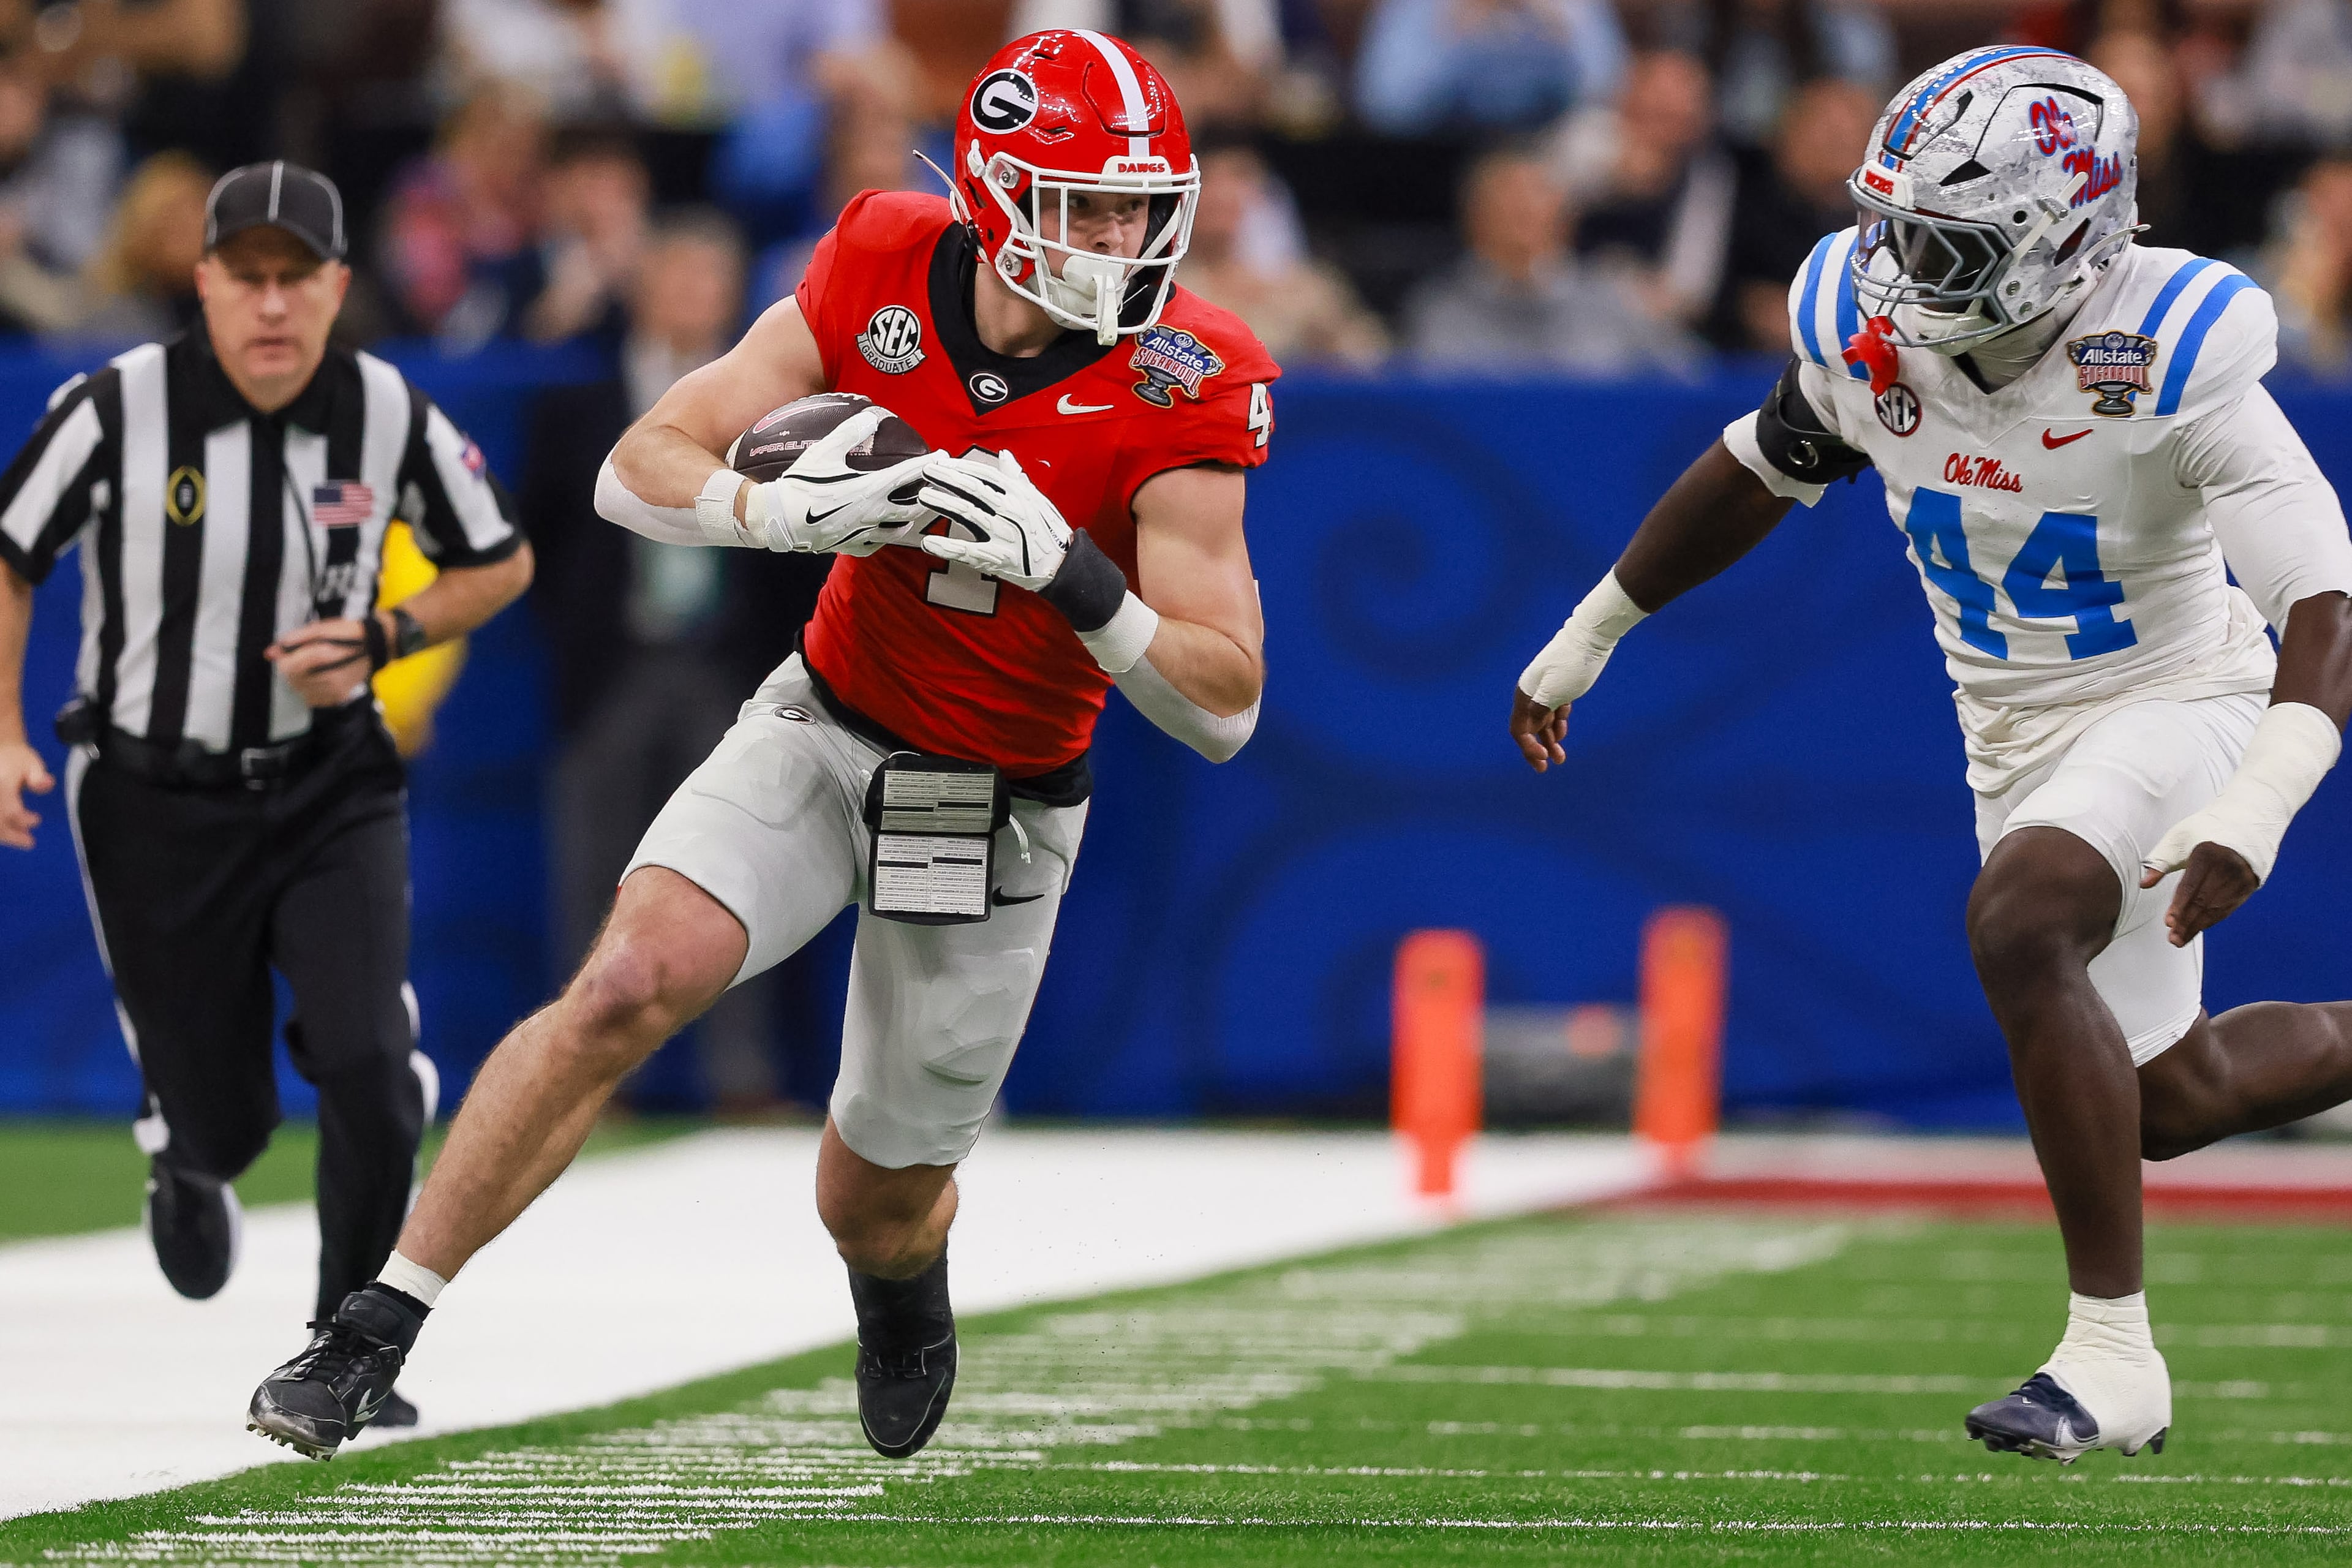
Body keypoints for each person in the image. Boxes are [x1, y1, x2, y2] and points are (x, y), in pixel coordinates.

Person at [245, 27, 1276, 1463]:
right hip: (826, 719)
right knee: (625, 978)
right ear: (992, 193)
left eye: (1136, 206)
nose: (1118, 237)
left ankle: (899, 1286)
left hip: (998, 800)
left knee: (872, 1191)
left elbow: (1222, 703)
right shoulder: (881, 261)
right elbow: (639, 461)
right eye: (1083, 203)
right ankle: (371, 1324)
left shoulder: (1186, 373)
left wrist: (1074, 574)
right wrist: (774, 512)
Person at [1511, 48, 2352, 1463]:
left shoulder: (2173, 341)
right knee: (2168, 1100)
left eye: (1948, 240)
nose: (1901, 267)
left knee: (2020, 919)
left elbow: (2323, 603)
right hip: (2011, 730)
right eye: (1895, 227)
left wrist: (2259, 799)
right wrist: (1593, 628)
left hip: (2178, 690)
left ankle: (2110, 1358)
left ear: (2068, 237)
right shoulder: (1864, 315)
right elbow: (1762, 458)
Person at [0, 162, 532, 1433]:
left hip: (326, 778)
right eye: (250, 275)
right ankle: (183, 1147)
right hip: (149, 791)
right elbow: (11, 550)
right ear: (205, 281)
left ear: (341, 285)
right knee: (231, 1121)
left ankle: (349, 1348)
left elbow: (499, 559)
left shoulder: (386, 410)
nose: (275, 304)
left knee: (369, 1063)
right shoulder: (117, 406)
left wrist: (389, 630)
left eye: (301, 276)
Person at [521, 208, 829, 1113]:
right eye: (681, 276)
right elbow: (539, 535)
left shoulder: (772, 413)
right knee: (594, 872)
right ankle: (595, 1079)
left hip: (727, 669)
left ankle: (744, 1077)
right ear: (645, 286)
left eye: (712, 280)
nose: (697, 296)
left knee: (746, 869)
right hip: (613, 667)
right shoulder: (579, 401)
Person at [1405, 145, 1697, 374]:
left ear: (1566, 218)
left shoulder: (1614, 301)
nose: (1523, 210)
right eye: (1507, 199)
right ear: (1474, 219)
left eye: (1536, 197)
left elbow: (1694, 381)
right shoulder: (1438, 311)